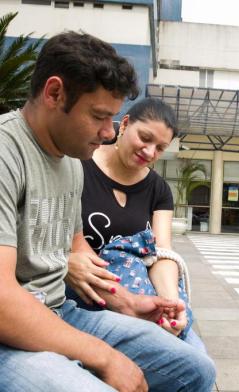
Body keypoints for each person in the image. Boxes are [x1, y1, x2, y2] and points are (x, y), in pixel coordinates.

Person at [0, 31, 216, 392]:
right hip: (10, 334)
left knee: (197, 369)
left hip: (62, 313)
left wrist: (129, 302)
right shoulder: (8, 153)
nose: (107, 132)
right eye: (100, 116)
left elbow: (76, 245)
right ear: (54, 93)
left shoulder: (69, 161)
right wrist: (105, 356)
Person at [66, 98, 206, 349]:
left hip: (139, 294)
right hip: (83, 293)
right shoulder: (77, 166)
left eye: (160, 148)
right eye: (145, 138)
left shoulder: (159, 189)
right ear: (125, 124)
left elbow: (162, 253)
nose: (150, 152)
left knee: (196, 353)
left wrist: (170, 304)